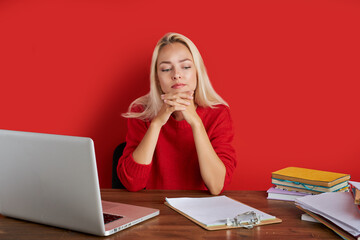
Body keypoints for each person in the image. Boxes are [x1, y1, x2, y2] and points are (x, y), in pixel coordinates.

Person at [117, 33, 236, 195]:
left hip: (202, 212)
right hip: (158, 210)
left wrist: (196, 123)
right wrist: (157, 123)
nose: (176, 75)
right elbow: (132, 183)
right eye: (166, 69)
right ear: (158, 79)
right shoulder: (141, 112)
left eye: (186, 67)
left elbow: (216, 186)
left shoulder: (218, 114)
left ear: (197, 72)